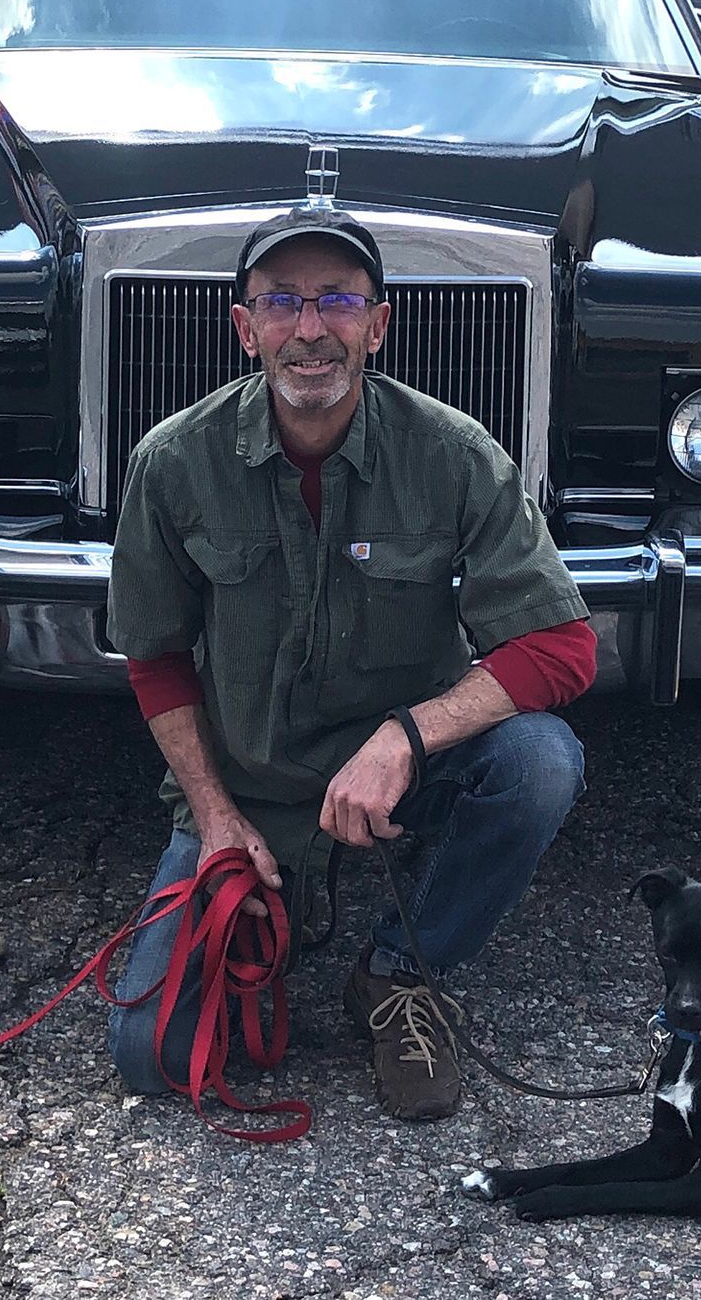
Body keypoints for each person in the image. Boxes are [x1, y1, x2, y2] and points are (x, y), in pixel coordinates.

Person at [105, 203, 597, 1121]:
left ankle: (401, 973)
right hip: (250, 786)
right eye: (282, 302)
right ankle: (263, 915)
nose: (311, 329)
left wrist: (407, 738)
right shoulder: (172, 463)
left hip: (401, 773)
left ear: (378, 324)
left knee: (541, 762)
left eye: (338, 301)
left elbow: (561, 648)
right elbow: (157, 659)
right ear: (245, 329)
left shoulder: (453, 455)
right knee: (153, 1057)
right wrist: (215, 820)